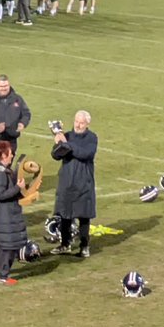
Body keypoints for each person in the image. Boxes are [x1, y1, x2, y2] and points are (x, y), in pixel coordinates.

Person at [51, 110, 98, 258]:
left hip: (83, 182)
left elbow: (86, 154)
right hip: (66, 181)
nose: (78, 125)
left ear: (87, 124)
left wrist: (68, 145)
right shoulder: (67, 135)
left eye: (81, 123)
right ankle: (65, 244)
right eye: (76, 121)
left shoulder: (92, 138)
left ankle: (84, 246)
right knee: (65, 214)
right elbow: (55, 156)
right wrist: (59, 143)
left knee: (84, 216)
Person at [0, 140, 29, 284]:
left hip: (8, 212)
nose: (12, 155)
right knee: (10, 245)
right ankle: (1, 275)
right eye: (10, 153)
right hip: (6, 213)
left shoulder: (3, 170)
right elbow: (0, 194)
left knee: (4, 244)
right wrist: (17, 188)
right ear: (3, 155)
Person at [0, 75, 31, 147]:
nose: (3, 88)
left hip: (12, 138)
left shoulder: (17, 99)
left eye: (5, 86)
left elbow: (26, 113)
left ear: (9, 85)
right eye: (1, 86)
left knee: (11, 154)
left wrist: (22, 123)